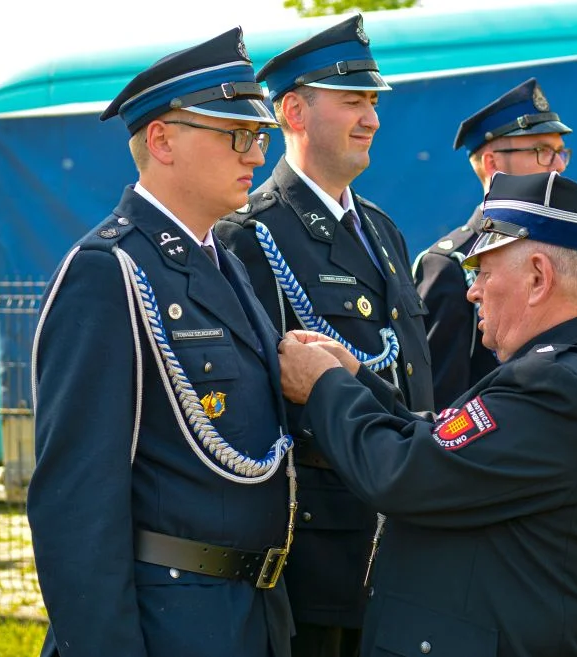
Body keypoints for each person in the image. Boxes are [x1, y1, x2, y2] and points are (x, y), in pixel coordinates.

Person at [277, 171, 577, 656]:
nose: (473, 291)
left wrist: (322, 387)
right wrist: (354, 376)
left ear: (539, 277)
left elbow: (405, 473)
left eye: (485, 273)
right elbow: (444, 444)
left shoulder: (557, 386)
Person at [28, 28, 296, 657]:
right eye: (235, 136)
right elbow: (76, 504)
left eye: (258, 137)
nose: (255, 156)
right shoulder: (109, 270)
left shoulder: (221, 260)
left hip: (248, 615)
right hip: (168, 621)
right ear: (161, 139)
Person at [215, 14, 433, 657]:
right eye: (352, 101)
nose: (372, 119)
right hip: (323, 544)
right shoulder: (252, 236)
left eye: (372, 102)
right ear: (294, 112)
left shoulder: (383, 231)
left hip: (402, 528)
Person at [413, 78, 572, 408]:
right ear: (492, 163)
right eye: (542, 151)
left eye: (560, 153)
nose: (557, 165)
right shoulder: (450, 266)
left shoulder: (558, 248)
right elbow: (441, 406)